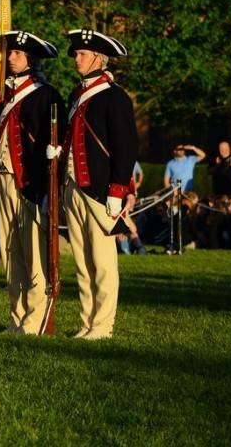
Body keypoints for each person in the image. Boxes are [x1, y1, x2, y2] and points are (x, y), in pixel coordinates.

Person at [49, 28, 137, 340]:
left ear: (98, 58)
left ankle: (103, 326)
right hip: (74, 187)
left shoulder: (114, 97)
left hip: (100, 191)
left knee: (102, 261)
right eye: (76, 53)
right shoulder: (77, 95)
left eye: (82, 54)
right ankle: (87, 322)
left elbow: (126, 147)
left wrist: (117, 189)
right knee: (83, 263)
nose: (76, 58)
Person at [0, 30, 65, 334]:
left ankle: (35, 317)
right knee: (11, 252)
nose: (11, 58)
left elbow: (55, 144)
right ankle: (16, 315)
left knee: (33, 253)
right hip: (2, 180)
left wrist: (50, 184)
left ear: (31, 59)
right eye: (10, 53)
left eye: (17, 54)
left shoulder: (45, 95)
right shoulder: (2, 94)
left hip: (29, 183)